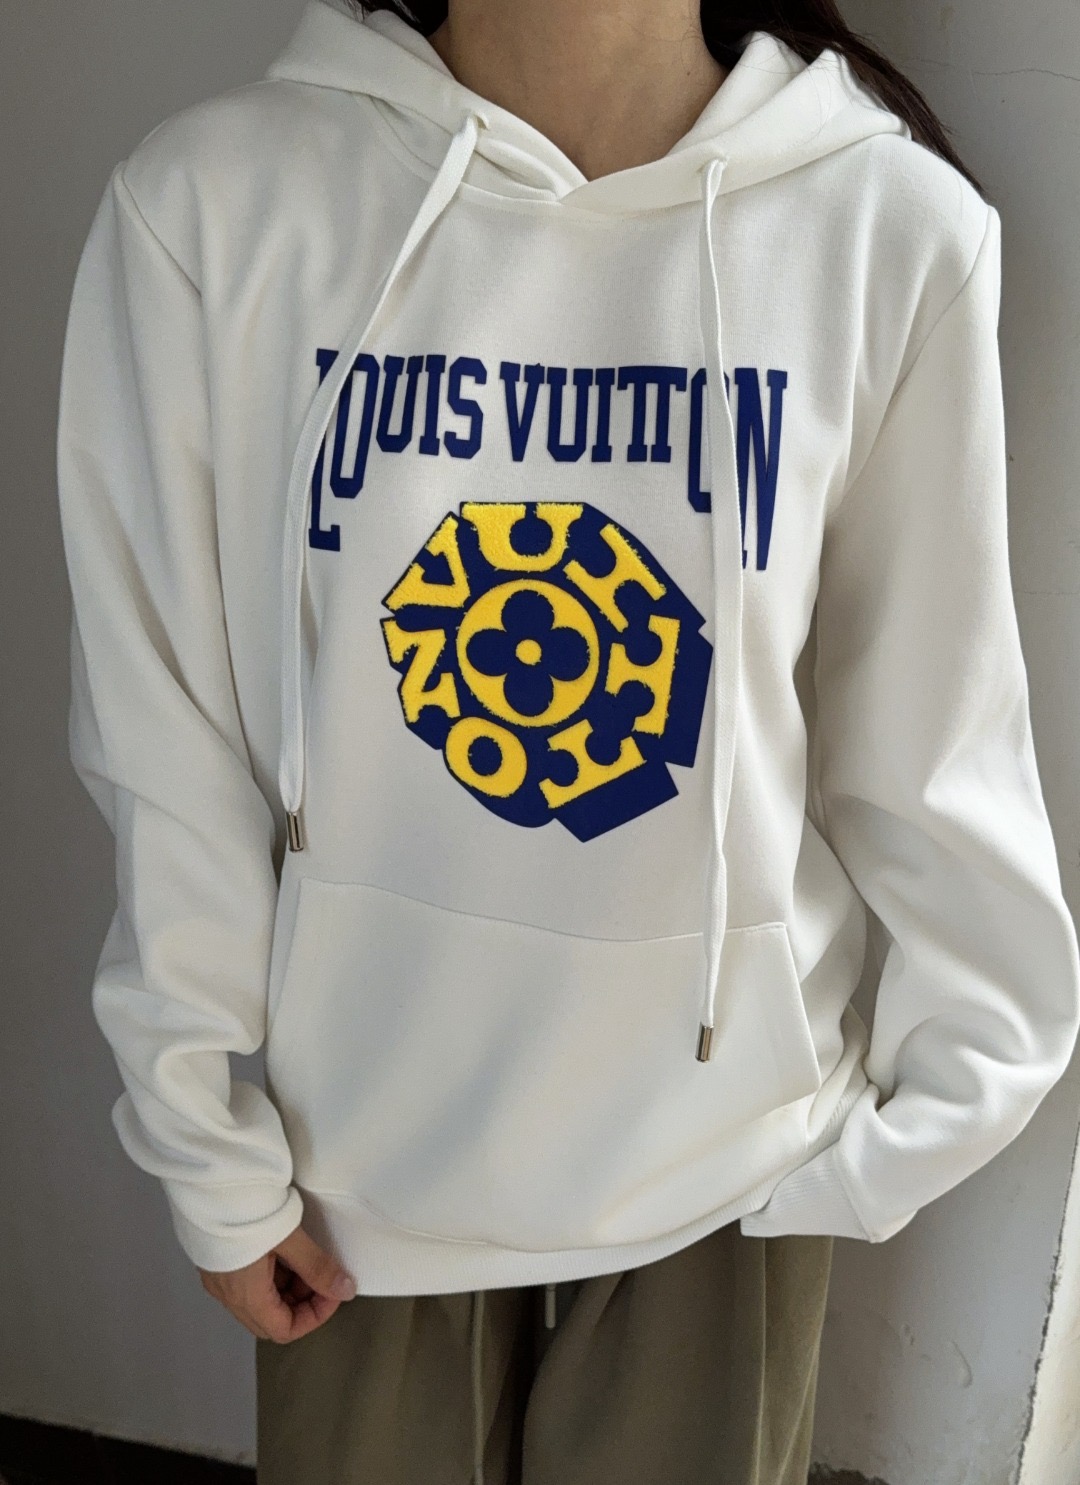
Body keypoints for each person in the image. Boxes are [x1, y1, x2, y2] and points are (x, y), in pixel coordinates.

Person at [55, 0, 1080, 1480]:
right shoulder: (213, 205)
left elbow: (933, 731)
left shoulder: (884, 226)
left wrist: (926, 1118)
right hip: (348, 1167)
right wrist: (203, 1139)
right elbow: (167, 729)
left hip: (728, 1170)